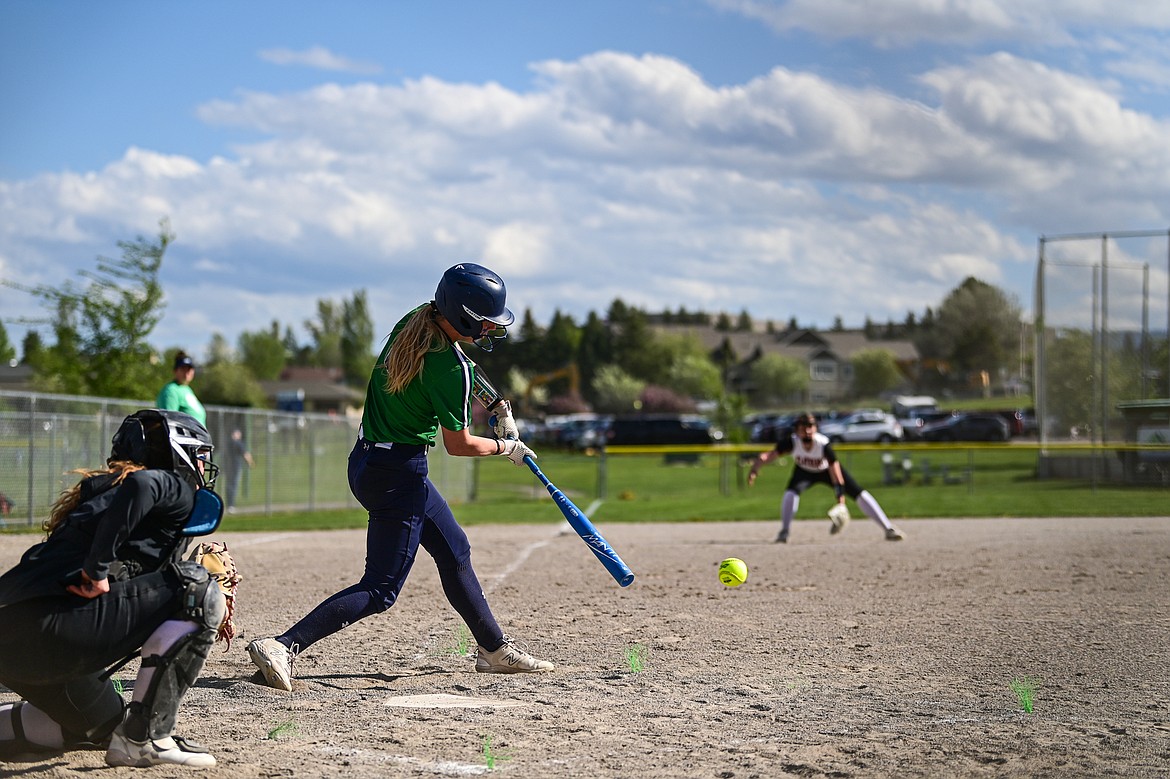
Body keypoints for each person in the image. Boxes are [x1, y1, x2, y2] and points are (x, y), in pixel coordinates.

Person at [247, 263, 552, 692]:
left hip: (369, 461)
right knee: (380, 590)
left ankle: (493, 649)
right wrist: (508, 448)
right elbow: (460, 444)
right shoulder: (449, 369)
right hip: (400, 474)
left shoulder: (417, 320)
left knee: (454, 549)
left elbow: (462, 365)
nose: (487, 330)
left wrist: (498, 407)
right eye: (483, 321)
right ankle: (284, 645)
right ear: (463, 315)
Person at [0, 409, 226, 767]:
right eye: (200, 457)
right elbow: (143, 486)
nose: (203, 468)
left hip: (13, 640)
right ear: (176, 454)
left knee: (102, 723)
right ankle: (146, 739)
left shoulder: (102, 495)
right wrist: (98, 569)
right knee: (198, 590)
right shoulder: (167, 484)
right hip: (54, 632)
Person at [748, 412, 905, 543]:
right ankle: (784, 532)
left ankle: (888, 528)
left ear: (816, 428)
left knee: (859, 493)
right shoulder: (791, 442)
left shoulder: (823, 444)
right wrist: (756, 468)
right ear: (796, 430)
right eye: (803, 428)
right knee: (790, 493)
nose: (807, 431)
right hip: (804, 472)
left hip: (826, 471)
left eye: (810, 427)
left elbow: (835, 472)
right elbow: (770, 455)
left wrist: (840, 502)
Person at [156, 352, 205, 425]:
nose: (186, 373)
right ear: (175, 371)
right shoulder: (171, 390)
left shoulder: (187, 389)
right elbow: (169, 422)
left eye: (189, 369)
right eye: (183, 369)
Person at [222, 429, 254, 510]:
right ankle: (231, 505)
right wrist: (251, 463)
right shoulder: (238, 443)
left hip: (227, 466)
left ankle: (229, 503)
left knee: (229, 485)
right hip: (235, 467)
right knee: (233, 485)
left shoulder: (227, 443)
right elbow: (245, 454)